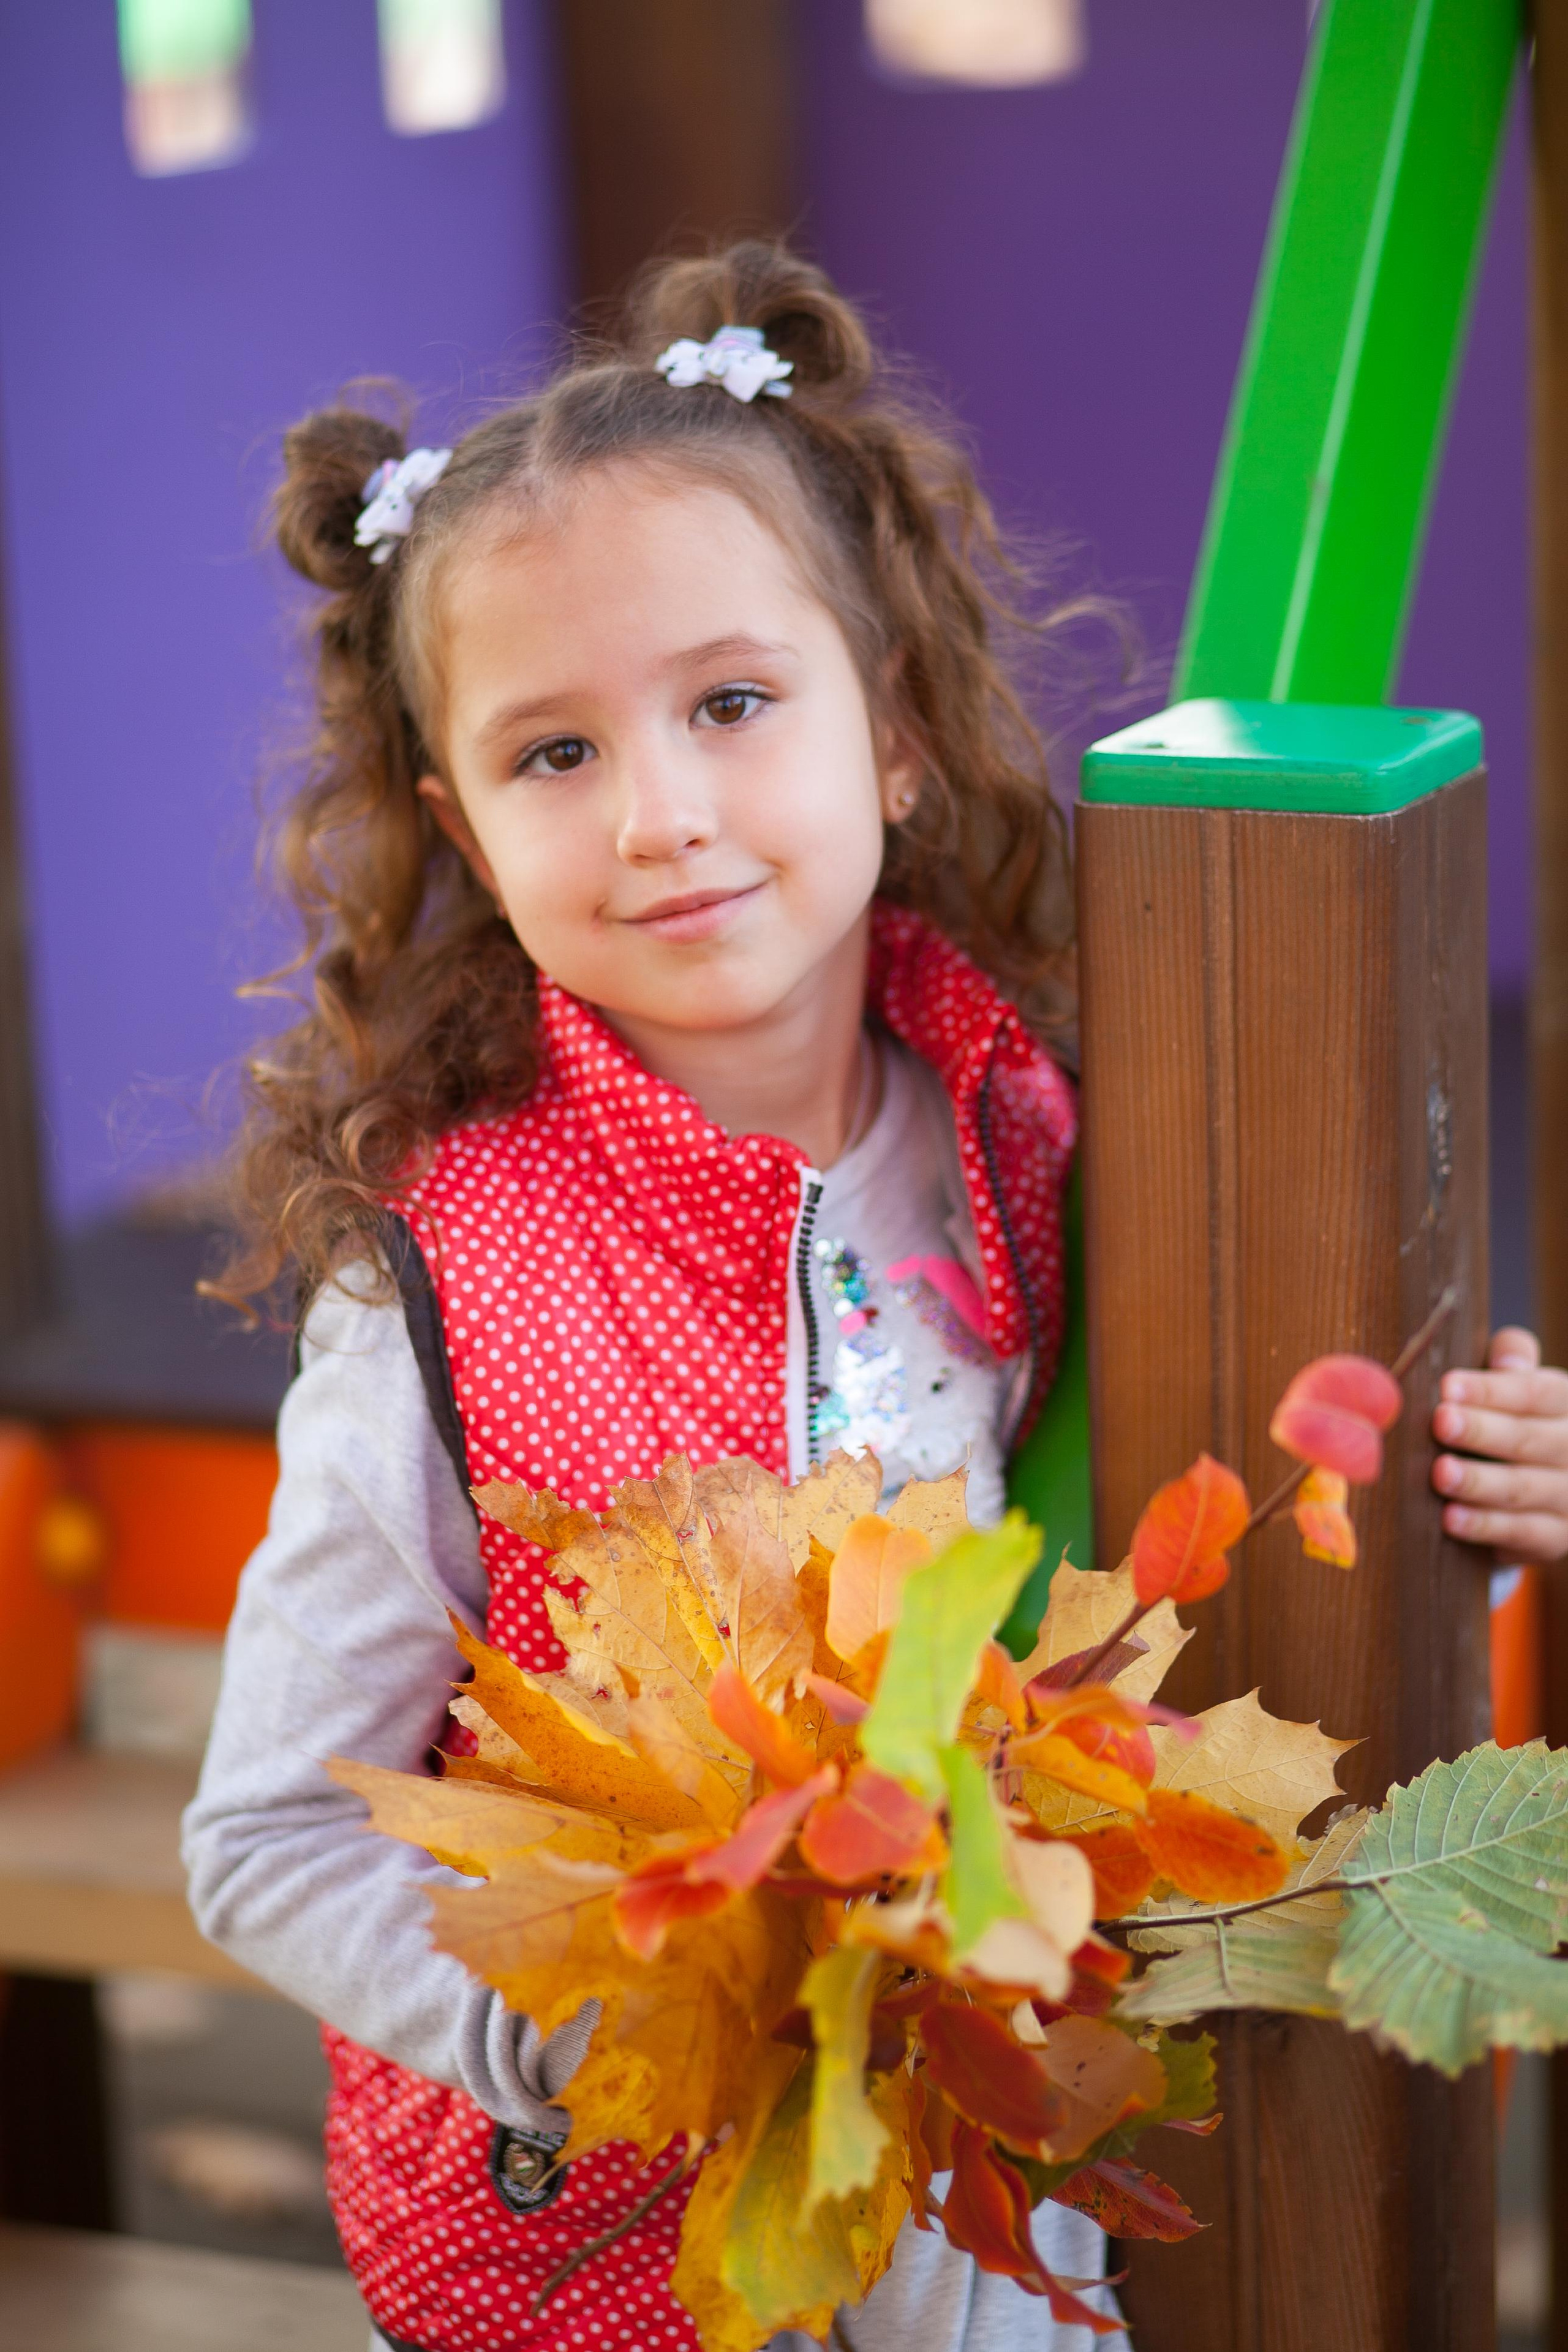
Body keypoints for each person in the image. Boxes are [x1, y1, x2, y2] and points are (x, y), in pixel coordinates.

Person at [183, 244, 1568, 2352]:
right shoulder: (439, 1289)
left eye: (732, 705)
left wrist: (1458, 1526)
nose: (662, 816)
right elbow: (272, 1834)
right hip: (594, 2259)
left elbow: (1180, 1603)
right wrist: (597, 2032)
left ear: (894, 730)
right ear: (463, 830)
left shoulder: (1055, 1135)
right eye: (555, 757)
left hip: (997, 2186)